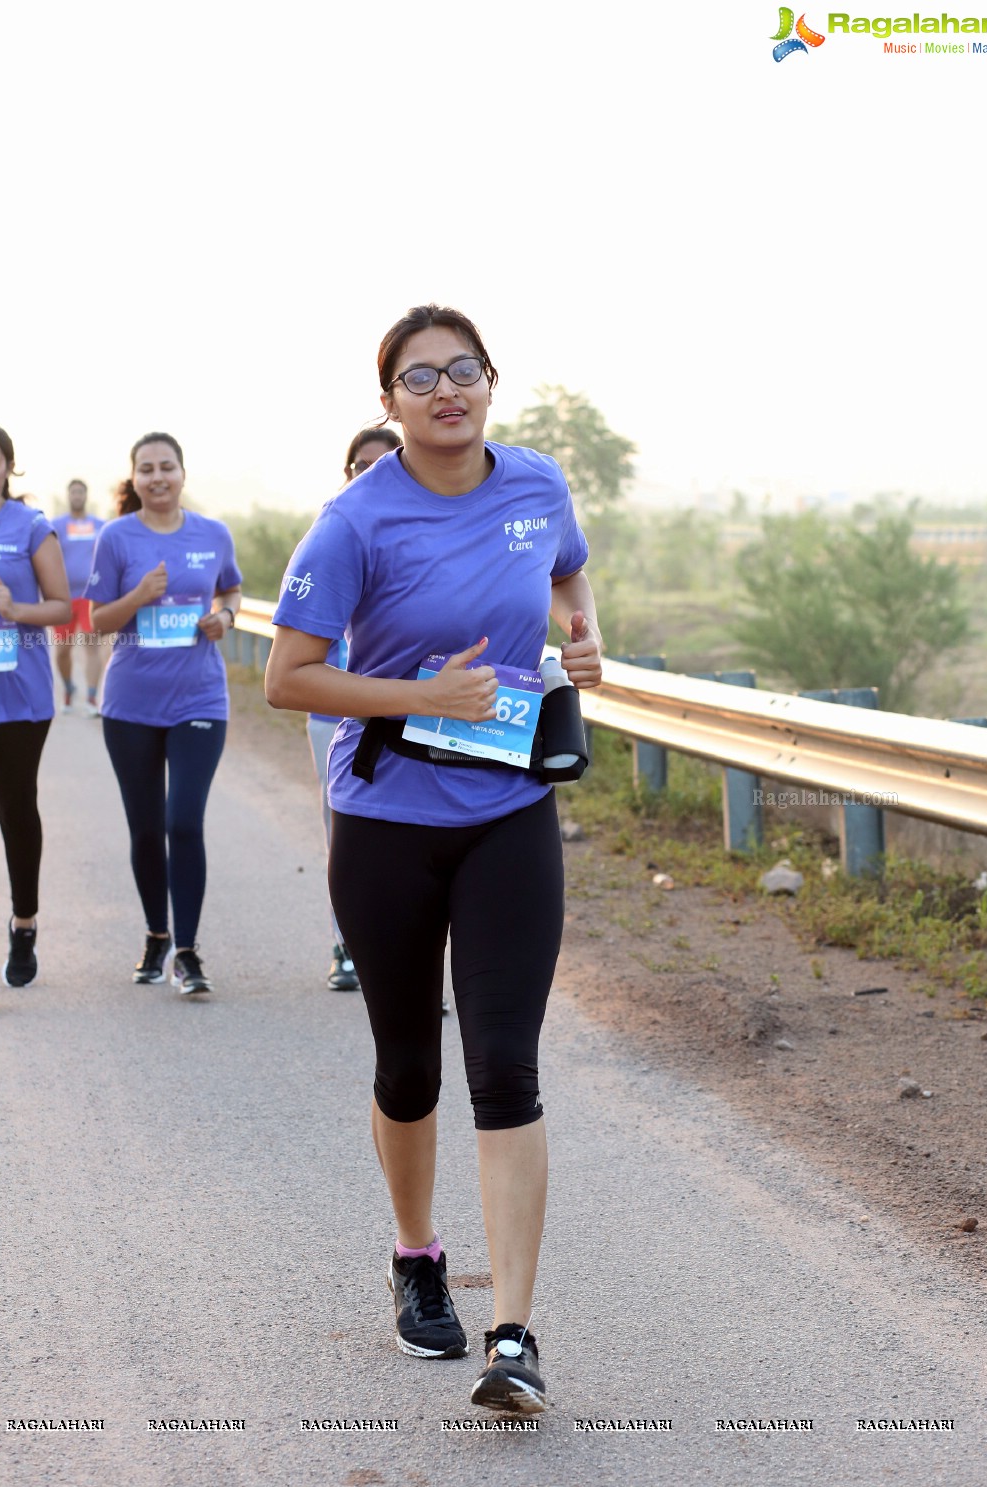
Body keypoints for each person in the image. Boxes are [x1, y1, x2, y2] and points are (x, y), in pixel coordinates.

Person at [266, 305, 602, 1416]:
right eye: (420, 378)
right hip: (387, 824)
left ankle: (512, 1332)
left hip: (508, 808)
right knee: (409, 1067)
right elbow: (290, 677)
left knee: (505, 1064)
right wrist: (420, 695)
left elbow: (566, 574)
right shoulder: (354, 523)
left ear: (492, 381)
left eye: (463, 370)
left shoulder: (537, 486)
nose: (444, 389)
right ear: (388, 402)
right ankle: (418, 1257)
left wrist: (578, 634)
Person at [88, 433, 242, 997]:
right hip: (130, 704)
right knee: (147, 829)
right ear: (134, 479)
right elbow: (97, 621)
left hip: (200, 698)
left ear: (182, 473)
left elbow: (231, 588)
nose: (157, 477)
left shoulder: (212, 533)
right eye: (146, 469)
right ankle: (157, 932)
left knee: (184, 822)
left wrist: (224, 617)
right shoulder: (116, 538)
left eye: (166, 467)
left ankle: (187, 951)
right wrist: (138, 597)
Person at [308, 426, 401, 991]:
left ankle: (412, 967)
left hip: (419, 707)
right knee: (343, 829)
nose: (367, 473)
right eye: (357, 465)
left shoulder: (433, 527)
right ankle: (347, 947)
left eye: (380, 462)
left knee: (413, 837)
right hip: (336, 712)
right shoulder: (334, 527)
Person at [0, 423, 72, 994]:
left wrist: (16, 609)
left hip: (19, 696)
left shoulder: (30, 527)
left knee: (16, 810)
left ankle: (23, 922)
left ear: (8, 468)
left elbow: (64, 607)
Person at [52, 478, 108, 715]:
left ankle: (92, 698)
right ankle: (68, 688)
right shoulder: (57, 526)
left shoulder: (99, 526)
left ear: (86, 495)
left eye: (81, 492)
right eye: (73, 492)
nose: (77, 496)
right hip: (64, 597)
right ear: (68, 495)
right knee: (62, 650)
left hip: (91, 597)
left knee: (91, 647)